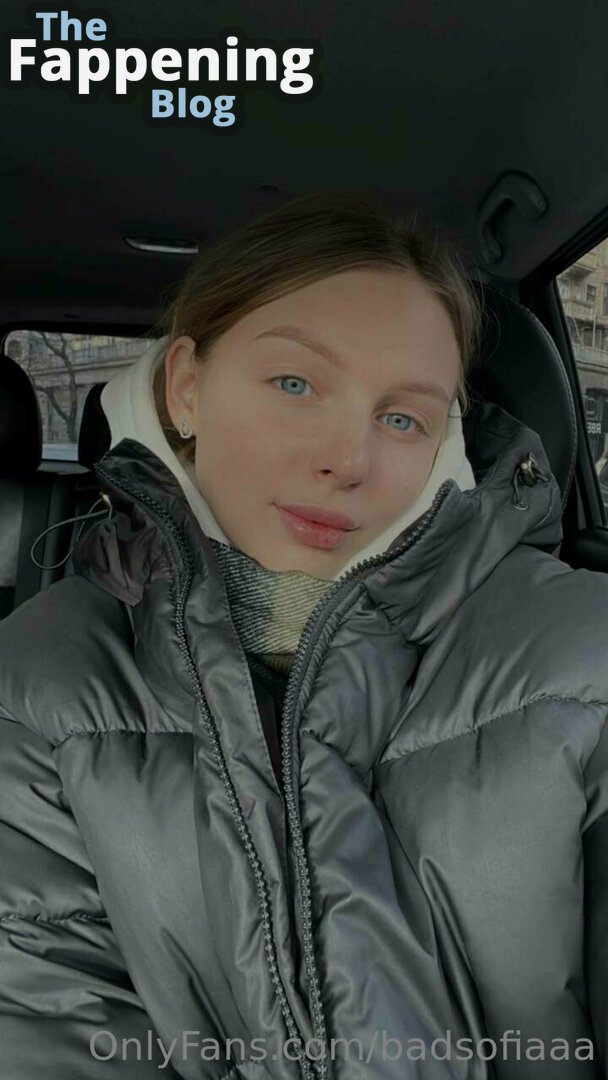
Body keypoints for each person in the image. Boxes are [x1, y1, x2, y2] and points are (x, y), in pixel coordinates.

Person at [0, 189, 606, 1080]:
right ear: (187, 389)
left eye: (402, 417)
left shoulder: (583, 652)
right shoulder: (38, 685)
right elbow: (48, 1024)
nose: (348, 460)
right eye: (295, 384)